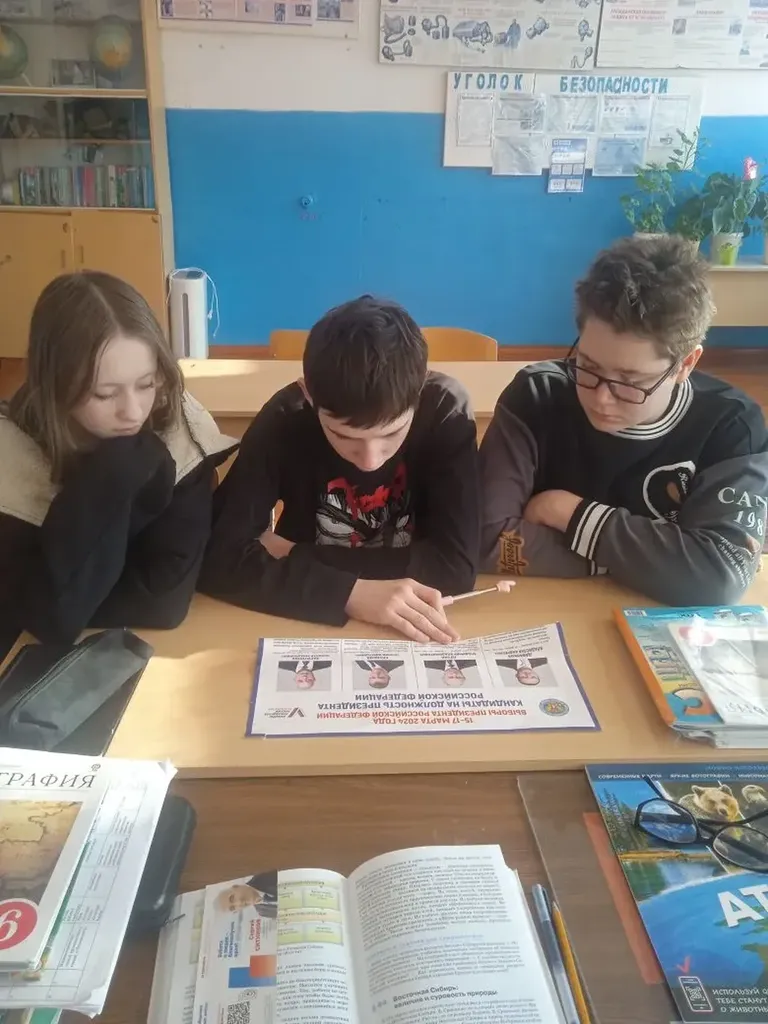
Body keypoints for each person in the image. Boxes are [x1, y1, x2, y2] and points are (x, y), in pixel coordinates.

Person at [479, 235, 768, 606]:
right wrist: (656, 561)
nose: (601, 398)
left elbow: (718, 576)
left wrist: (568, 513)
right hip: (548, 607)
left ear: (685, 364)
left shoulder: (732, 424)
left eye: (630, 382)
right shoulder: (536, 395)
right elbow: (485, 538)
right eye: (587, 366)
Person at [200, 295, 479, 643]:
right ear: (309, 395)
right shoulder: (287, 417)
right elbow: (217, 555)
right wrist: (350, 593)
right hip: (303, 623)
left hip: (411, 618)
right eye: (344, 437)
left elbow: (456, 569)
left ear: (419, 390)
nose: (370, 460)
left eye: (391, 434)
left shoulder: (444, 410)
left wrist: (291, 553)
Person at [0, 271, 236, 657]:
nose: (134, 412)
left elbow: (165, 601)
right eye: (105, 394)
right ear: (56, 387)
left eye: (146, 384)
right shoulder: (12, 454)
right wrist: (116, 470)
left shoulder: (179, 424)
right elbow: (51, 618)